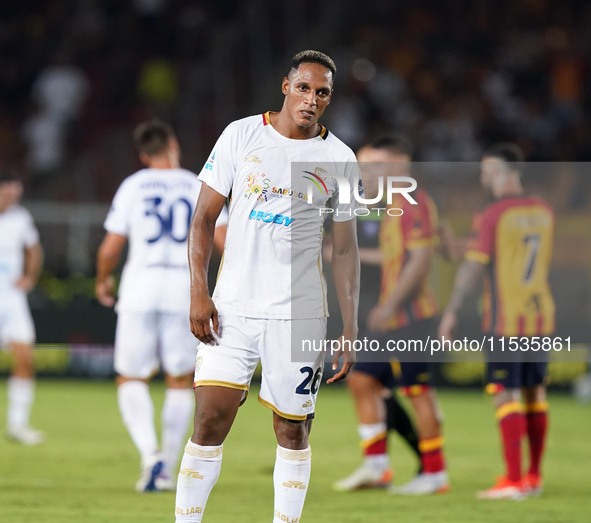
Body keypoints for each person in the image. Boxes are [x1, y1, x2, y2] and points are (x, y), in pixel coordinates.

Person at [174, 50, 360, 523]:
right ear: (285, 86)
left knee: (293, 431)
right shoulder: (241, 135)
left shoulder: (339, 158)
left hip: (300, 314)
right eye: (304, 88)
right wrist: (199, 290)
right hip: (232, 308)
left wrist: (351, 326)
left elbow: (345, 251)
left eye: (322, 93)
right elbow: (202, 220)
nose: (311, 100)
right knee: (210, 420)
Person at [96, 120, 227, 492]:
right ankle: (168, 467)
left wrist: (103, 279)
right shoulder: (198, 182)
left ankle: (150, 455)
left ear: (142, 154)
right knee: (180, 379)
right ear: (173, 144)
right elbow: (223, 239)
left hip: (140, 286)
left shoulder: (133, 185)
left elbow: (110, 247)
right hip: (185, 289)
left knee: (130, 377)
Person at [334, 135, 449, 495]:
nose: (365, 173)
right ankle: (377, 466)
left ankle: (435, 474)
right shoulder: (394, 206)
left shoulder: (414, 202)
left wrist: (390, 304)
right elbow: (396, 257)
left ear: (400, 166)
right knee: (361, 379)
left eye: (375, 166)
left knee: (418, 393)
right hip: (395, 319)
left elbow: (419, 261)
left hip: (411, 316)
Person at [439, 143, 555, 499]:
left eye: (487, 170)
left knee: (505, 394)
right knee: (535, 393)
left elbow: (475, 266)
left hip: (505, 318)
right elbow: (508, 252)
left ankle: (513, 480)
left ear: (503, 172)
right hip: (541, 315)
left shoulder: (492, 213)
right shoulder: (543, 210)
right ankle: (533, 477)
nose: (483, 176)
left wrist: (452, 310)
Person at [0, 171, 44, 445]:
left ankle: (17, 425)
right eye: (8, 193)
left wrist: (29, 278)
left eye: (16, 194)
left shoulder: (21, 217)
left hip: (12, 298)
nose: (13, 198)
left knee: (25, 358)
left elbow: (34, 250)